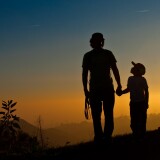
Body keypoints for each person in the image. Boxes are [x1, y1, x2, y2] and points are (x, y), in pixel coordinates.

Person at [82, 32, 122, 144]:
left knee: (107, 114)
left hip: (105, 88)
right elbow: (84, 74)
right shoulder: (88, 56)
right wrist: (85, 90)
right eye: (96, 40)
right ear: (92, 42)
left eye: (100, 40)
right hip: (97, 89)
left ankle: (105, 137)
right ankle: (101, 137)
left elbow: (115, 69)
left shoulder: (106, 54)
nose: (99, 42)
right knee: (97, 115)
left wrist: (119, 84)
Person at [120, 61, 149, 139]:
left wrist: (146, 102)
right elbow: (129, 89)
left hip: (140, 103)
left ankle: (140, 136)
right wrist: (122, 92)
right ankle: (137, 136)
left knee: (141, 121)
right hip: (134, 103)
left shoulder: (142, 79)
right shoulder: (131, 79)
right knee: (134, 121)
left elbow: (146, 91)